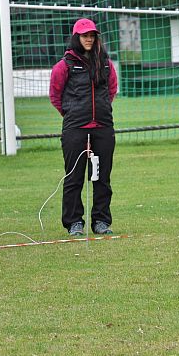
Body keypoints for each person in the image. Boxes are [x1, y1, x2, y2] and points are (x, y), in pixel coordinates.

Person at [49, 18, 118, 236]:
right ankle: (74, 222)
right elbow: (55, 95)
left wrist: (100, 110)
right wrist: (73, 114)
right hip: (75, 129)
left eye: (92, 35)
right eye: (84, 35)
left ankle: (101, 221)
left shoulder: (106, 63)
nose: (89, 39)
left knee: (102, 177)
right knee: (74, 177)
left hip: (103, 127)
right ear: (76, 37)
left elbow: (112, 90)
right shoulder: (64, 66)